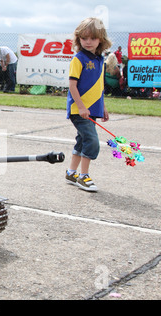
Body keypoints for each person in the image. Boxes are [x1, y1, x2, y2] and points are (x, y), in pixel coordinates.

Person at [65, 17, 112, 192]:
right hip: (79, 110)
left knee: (82, 140)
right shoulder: (78, 59)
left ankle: (71, 172)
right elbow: (72, 86)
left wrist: (103, 107)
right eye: (84, 38)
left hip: (92, 109)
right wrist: (82, 107)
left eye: (92, 38)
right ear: (79, 39)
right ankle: (83, 176)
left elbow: (99, 87)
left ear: (101, 39)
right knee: (92, 141)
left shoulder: (100, 59)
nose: (88, 42)